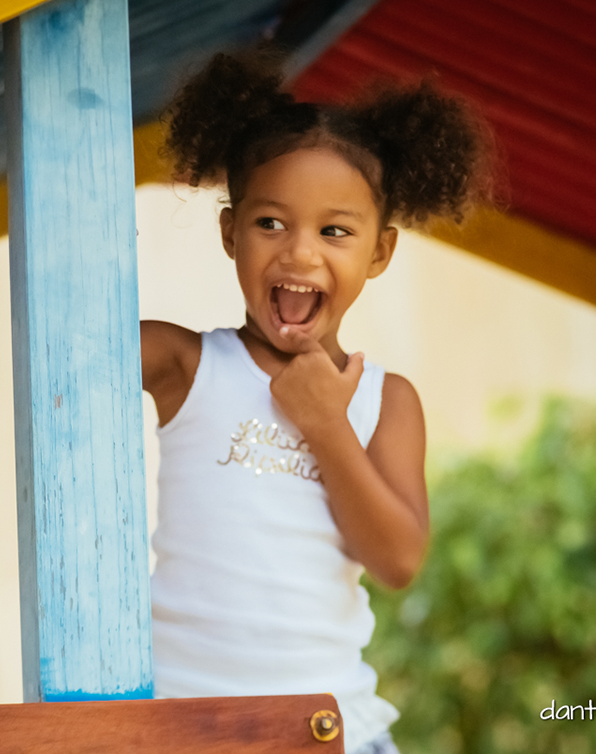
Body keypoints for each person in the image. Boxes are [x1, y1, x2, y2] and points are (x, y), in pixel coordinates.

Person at [140, 52, 493, 754]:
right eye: (271, 223)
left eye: (335, 231)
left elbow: (396, 560)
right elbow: (74, 348)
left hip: (332, 732)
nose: (300, 253)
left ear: (380, 252)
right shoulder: (186, 364)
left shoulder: (386, 401)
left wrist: (326, 423)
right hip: (183, 731)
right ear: (228, 232)